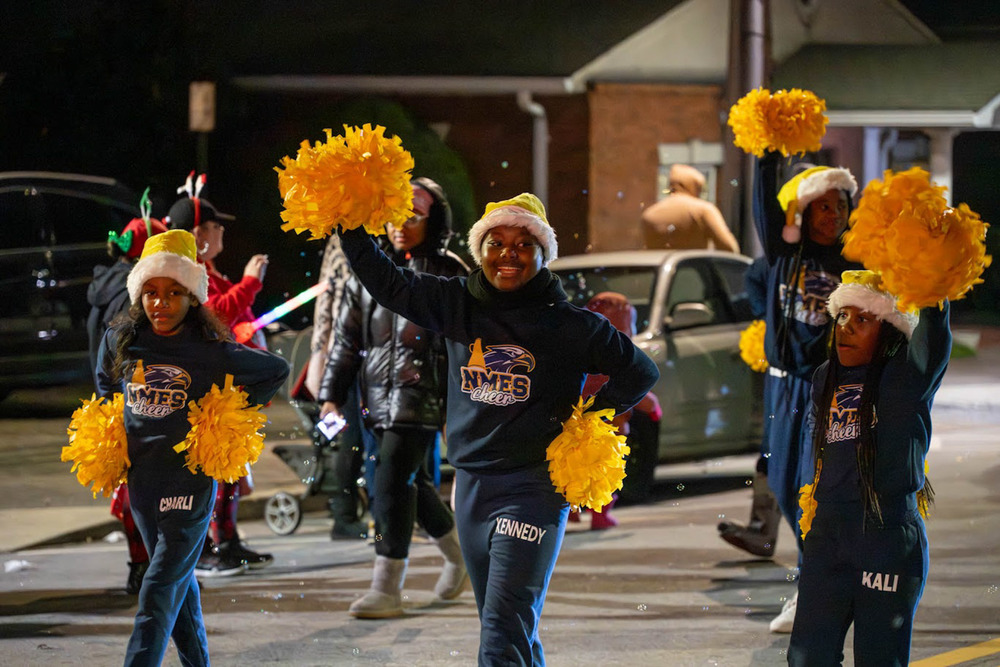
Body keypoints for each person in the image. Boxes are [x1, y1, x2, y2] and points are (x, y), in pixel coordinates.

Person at [335, 192, 659, 664]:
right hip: (470, 485)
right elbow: (388, 284)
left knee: (503, 629)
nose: (509, 253)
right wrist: (348, 223)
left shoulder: (568, 324)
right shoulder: (455, 303)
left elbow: (640, 372)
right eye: (496, 242)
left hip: (534, 487)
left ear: (542, 254)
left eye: (524, 243)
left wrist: (588, 416)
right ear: (480, 249)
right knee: (504, 624)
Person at [95, 229, 289, 666]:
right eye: (151, 292)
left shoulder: (210, 349)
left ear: (192, 297)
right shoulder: (122, 340)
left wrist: (226, 416)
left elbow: (274, 370)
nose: (160, 303)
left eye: (173, 293)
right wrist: (112, 425)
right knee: (178, 589)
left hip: (190, 482)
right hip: (141, 482)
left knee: (159, 585)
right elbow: (104, 384)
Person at [318, 178, 470, 617]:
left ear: (433, 219)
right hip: (373, 400)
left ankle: (387, 585)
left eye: (413, 217)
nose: (399, 226)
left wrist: (457, 406)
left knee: (388, 480)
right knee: (411, 484)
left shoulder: (449, 272)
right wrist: (330, 396)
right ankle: (459, 557)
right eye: (392, 217)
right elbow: (345, 341)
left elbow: (461, 347)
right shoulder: (367, 270)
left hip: (422, 398)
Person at [788, 270, 948, 664]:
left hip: (886, 539)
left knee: (879, 659)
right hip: (828, 537)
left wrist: (930, 275)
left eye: (863, 319)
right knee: (806, 658)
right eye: (843, 316)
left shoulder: (908, 376)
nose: (846, 328)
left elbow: (935, 332)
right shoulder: (825, 377)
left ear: (890, 330)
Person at [752, 154, 861, 633]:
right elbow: (764, 207)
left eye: (840, 206)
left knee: (811, 488)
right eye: (822, 206)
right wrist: (766, 153)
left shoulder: (856, 263)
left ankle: (811, 588)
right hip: (784, 388)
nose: (832, 215)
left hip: (830, 389)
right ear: (803, 211)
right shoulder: (783, 255)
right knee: (780, 484)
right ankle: (821, 580)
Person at [166, 185, 273, 574]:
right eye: (213, 226)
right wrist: (250, 283)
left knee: (228, 469)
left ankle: (227, 540)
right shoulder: (185, 274)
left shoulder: (205, 271)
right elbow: (218, 316)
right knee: (210, 472)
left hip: (225, 391)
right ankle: (208, 547)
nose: (220, 233)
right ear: (197, 235)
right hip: (203, 392)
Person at [86, 211, 168, 594]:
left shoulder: (104, 286)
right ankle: (145, 569)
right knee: (140, 494)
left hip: (112, 402)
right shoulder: (130, 298)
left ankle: (142, 567)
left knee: (132, 493)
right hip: (131, 405)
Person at [304, 230, 374, 540]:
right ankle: (345, 514)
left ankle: (351, 512)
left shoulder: (358, 236)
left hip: (357, 354)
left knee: (357, 437)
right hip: (351, 355)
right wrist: (321, 355)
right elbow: (328, 302)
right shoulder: (348, 239)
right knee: (353, 437)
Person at [717, 256, 782, 557]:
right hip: (784, 367)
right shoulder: (781, 258)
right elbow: (755, 274)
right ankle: (762, 528)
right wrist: (768, 319)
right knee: (773, 447)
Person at [641, 163, 740, 253]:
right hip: (695, 270)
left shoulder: (649, 214)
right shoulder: (703, 210)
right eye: (699, 189)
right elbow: (729, 247)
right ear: (692, 186)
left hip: (662, 271)